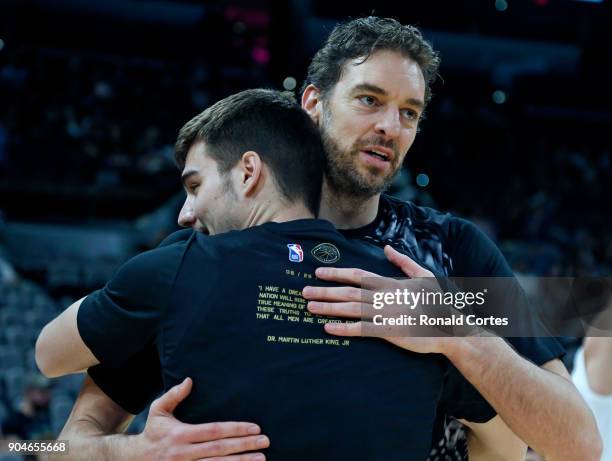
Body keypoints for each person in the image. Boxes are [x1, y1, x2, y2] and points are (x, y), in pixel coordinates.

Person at [39, 16, 601, 461]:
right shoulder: (201, 259)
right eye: (369, 99)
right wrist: (131, 451)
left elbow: (579, 444)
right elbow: (51, 448)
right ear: (312, 103)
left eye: (410, 112)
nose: (391, 126)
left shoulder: (451, 254)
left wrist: (456, 333)